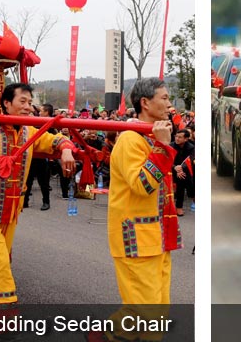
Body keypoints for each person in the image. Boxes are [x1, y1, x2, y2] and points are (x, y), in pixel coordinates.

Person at [0, 83, 76, 314]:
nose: (28, 107)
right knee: (0, 259)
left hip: (12, 208)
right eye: (23, 101)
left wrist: (66, 149)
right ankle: (5, 310)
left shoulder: (29, 130)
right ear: (7, 104)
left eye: (30, 102)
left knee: (0, 257)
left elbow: (53, 140)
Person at [90, 78, 181, 342]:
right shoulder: (131, 139)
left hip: (157, 236)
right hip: (136, 238)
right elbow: (143, 185)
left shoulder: (150, 136)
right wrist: (163, 147)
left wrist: (162, 144)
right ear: (145, 103)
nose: (169, 104)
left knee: (156, 307)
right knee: (150, 313)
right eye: (164, 98)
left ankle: (108, 335)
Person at [24, 104, 53, 210]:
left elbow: (52, 138)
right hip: (31, 156)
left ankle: (46, 202)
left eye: (41, 111)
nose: (39, 113)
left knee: (43, 182)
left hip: (42, 157)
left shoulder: (51, 123)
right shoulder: (31, 124)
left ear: (47, 112)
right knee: (28, 180)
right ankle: (25, 201)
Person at [170, 129, 195, 216]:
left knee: (184, 179)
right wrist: (175, 168)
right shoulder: (171, 146)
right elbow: (167, 159)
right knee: (180, 181)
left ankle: (190, 199)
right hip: (172, 168)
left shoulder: (191, 147)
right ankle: (179, 207)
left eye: (180, 137)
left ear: (186, 139)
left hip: (185, 169)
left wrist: (181, 168)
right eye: (176, 136)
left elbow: (190, 159)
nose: (177, 139)